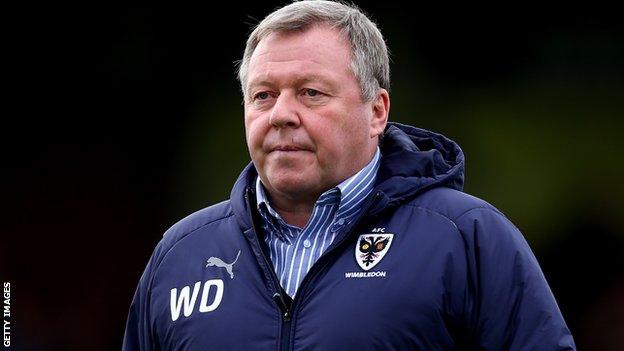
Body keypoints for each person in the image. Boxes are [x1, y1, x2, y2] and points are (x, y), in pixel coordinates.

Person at [123, 1, 576, 350]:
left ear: (376, 112)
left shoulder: (465, 238)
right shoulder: (180, 256)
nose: (281, 114)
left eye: (311, 93)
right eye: (263, 95)